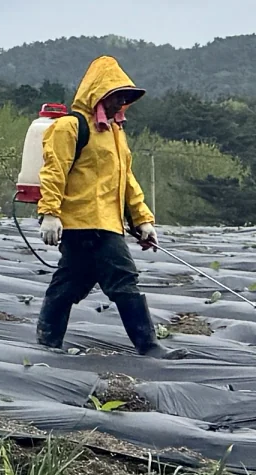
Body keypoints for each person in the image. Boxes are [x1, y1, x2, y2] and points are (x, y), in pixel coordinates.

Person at [35, 55, 167, 356]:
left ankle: (47, 342)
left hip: (107, 223)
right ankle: (149, 347)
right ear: (97, 93)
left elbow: (126, 179)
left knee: (70, 282)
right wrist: (50, 214)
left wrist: (142, 220)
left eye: (123, 97)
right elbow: (53, 171)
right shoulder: (70, 127)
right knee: (123, 278)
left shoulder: (115, 134)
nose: (119, 102)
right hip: (81, 222)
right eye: (115, 95)